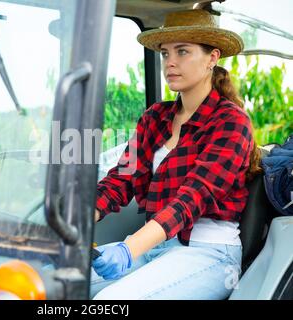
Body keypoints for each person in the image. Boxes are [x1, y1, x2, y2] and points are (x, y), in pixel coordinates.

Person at [91, 9, 262, 300]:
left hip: (208, 254)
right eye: (164, 53)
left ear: (212, 58)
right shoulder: (155, 117)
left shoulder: (231, 123)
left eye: (182, 52)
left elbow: (191, 198)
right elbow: (121, 179)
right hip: (154, 247)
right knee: (53, 283)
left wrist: (129, 249)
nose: (170, 62)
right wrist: (76, 223)